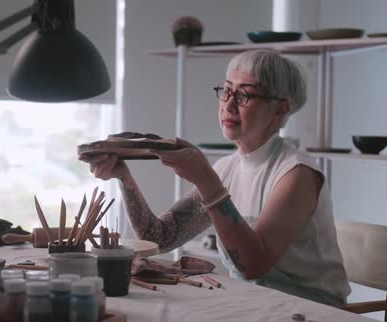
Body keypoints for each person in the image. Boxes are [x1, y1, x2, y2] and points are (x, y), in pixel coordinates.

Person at [79, 49, 351, 305]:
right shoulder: (227, 168)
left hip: (311, 311)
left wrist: (206, 180)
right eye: (227, 91)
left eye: (244, 95)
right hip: (255, 304)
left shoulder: (296, 174)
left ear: (280, 109)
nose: (229, 105)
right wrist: (124, 177)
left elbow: (253, 267)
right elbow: (159, 238)